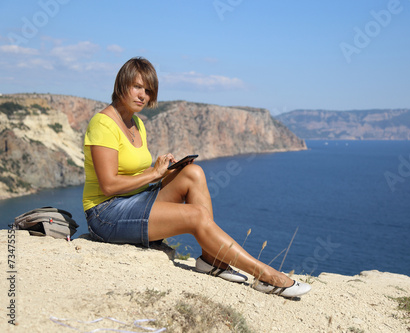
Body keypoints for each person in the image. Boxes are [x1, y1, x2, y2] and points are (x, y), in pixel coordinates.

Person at [82, 57, 311, 298]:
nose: (143, 96)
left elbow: (135, 175)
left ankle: (211, 261)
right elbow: (108, 185)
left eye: (148, 91)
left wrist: (168, 171)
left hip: (133, 202)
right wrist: (154, 173)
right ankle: (266, 275)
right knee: (196, 215)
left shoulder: (137, 122)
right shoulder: (103, 124)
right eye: (137, 87)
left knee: (193, 172)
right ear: (122, 84)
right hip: (105, 214)